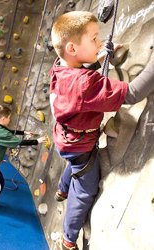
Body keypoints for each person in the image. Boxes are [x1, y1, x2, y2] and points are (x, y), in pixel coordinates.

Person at [49, 11, 154, 250]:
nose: (99, 42)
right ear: (73, 49)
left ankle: (62, 190)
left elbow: (80, 75)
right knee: (85, 188)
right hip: (79, 145)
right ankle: (68, 238)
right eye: (94, 39)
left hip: (66, 138)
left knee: (76, 164)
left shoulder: (59, 67)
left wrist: (99, 57)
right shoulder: (85, 85)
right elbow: (133, 93)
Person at [0, 105, 46, 209]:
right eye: (9, 118)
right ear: (3, 119)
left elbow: (9, 132)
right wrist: (37, 141)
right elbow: (18, 142)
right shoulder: (2, 133)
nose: (10, 119)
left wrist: (24, 132)